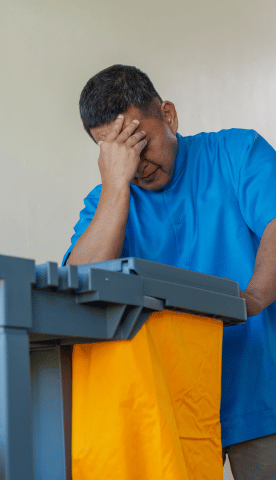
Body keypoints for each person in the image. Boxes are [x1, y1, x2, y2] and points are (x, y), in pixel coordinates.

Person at [63, 64, 276, 479]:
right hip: (169, 408)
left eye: (140, 143)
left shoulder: (238, 153)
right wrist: (115, 187)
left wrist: (254, 296)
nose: (138, 165)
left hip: (260, 390)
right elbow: (77, 283)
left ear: (169, 116)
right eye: (118, 153)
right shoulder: (107, 201)